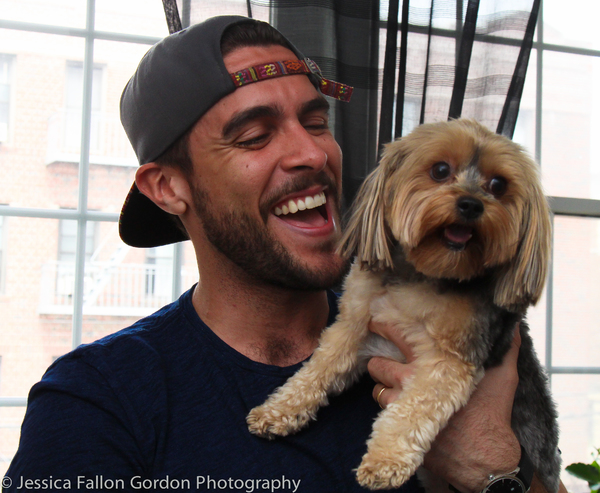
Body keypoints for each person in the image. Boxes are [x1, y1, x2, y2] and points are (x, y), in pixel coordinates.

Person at [5, 16, 564, 493]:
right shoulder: (94, 404)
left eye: (316, 122)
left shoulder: (452, 335)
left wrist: (498, 472)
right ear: (169, 188)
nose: (310, 152)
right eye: (254, 136)